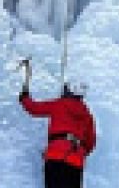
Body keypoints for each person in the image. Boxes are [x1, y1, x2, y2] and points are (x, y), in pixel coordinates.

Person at [17, 58, 97, 188]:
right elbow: (90, 143)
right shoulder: (87, 116)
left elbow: (34, 108)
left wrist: (24, 97)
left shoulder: (59, 105)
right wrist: (79, 151)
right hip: (76, 160)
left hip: (56, 155)